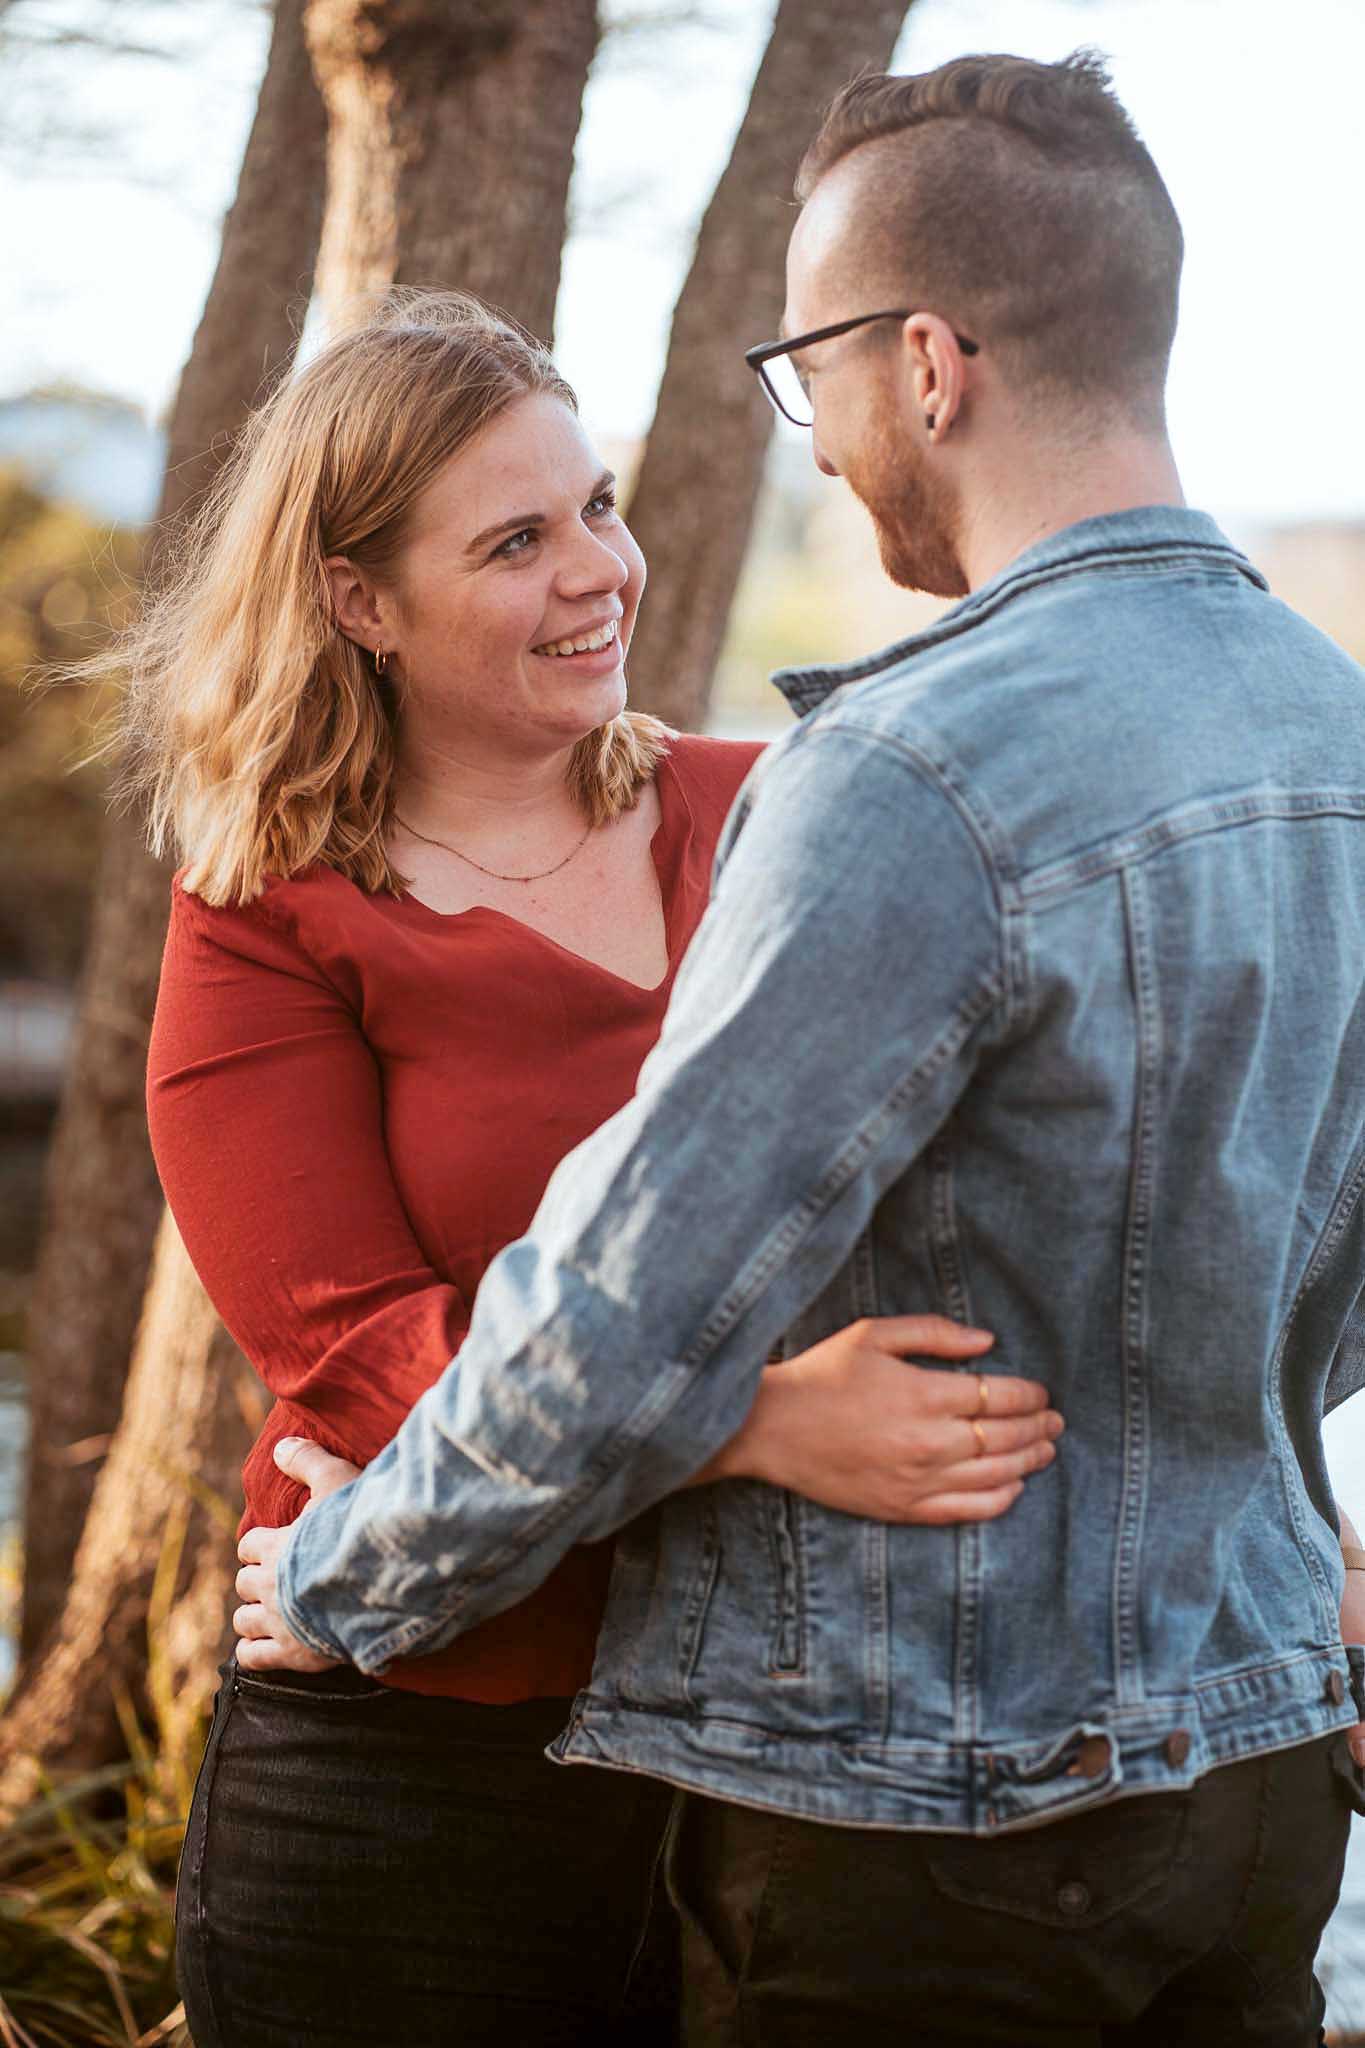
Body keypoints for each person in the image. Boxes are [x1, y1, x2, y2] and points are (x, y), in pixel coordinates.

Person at [235, 53, 1365, 2045]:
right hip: (1261, 1783)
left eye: (812, 373)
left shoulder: (902, 771)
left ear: (924, 364)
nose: (821, 443)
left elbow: (622, 1310)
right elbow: (1311, 1292)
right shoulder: (1333, 733)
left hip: (928, 1818)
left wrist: (344, 1575)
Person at [135, 291, 1064, 2048]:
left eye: (600, 508)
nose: (597, 573)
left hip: (796, 1750)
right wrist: (763, 1423)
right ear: (357, 601)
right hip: (421, 1743)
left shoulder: (786, 810)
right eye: (513, 541)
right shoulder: (268, 918)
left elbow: (994, 1210)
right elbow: (367, 1357)